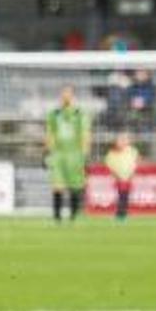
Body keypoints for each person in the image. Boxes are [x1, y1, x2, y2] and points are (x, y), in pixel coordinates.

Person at [45, 85, 91, 222]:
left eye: (68, 94)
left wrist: (85, 154)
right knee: (57, 185)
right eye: (63, 93)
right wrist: (47, 152)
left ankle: (73, 215)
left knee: (75, 185)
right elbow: (50, 134)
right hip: (58, 154)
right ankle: (57, 216)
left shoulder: (80, 113)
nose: (66, 96)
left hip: (75, 154)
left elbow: (86, 134)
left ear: (73, 96)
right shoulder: (54, 114)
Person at [104, 132, 139, 221]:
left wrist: (132, 173)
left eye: (124, 140)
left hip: (128, 177)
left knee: (124, 195)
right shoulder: (113, 152)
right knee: (122, 195)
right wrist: (115, 174)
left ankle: (122, 213)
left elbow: (135, 161)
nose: (122, 142)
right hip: (119, 177)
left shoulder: (132, 151)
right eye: (120, 140)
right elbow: (109, 163)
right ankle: (121, 213)